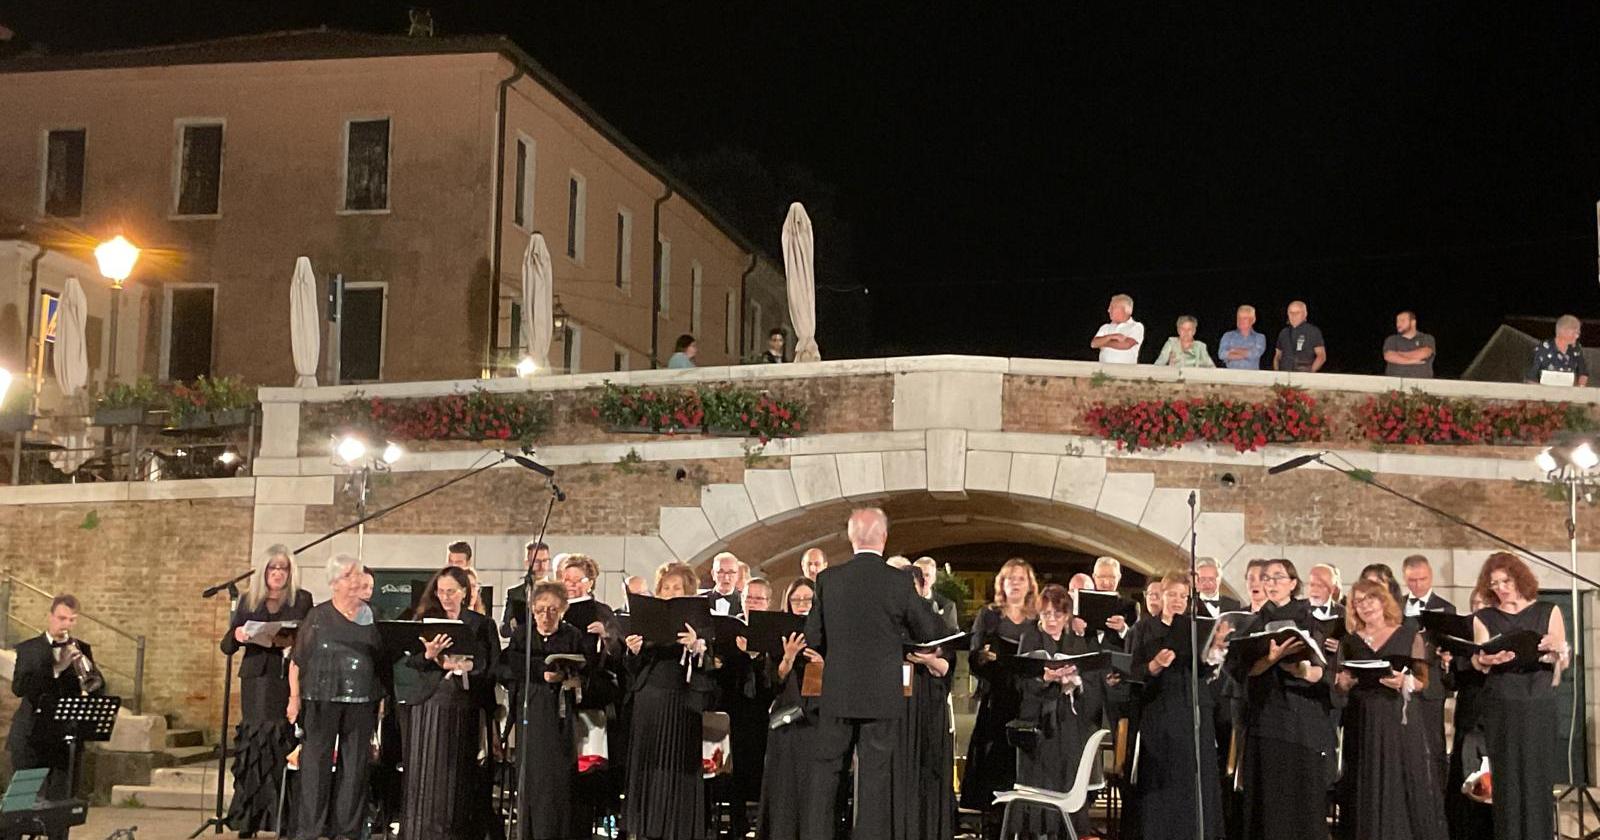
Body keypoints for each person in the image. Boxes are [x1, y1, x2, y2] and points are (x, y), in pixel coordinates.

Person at [804, 508, 947, 840]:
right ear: (883, 538)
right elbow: (927, 632)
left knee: (827, 773)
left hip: (837, 690)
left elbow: (814, 637)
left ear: (851, 537)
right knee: (874, 778)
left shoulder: (828, 579)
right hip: (882, 694)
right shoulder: (898, 581)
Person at [1333, 579, 1448, 840]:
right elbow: (1340, 682)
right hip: (1362, 718)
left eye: (1370, 598)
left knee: (1400, 779)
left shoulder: (1408, 635)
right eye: (1358, 602)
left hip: (1398, 717)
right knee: (1365, 781)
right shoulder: (1349, 641)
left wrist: (1404, 681)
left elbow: (1422, 681)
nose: (1365, 606)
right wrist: (1343, 682)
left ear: (1383, 600)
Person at [1226, 558, 1332, 840]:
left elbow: (1322, 671)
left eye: (1278, 577)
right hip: (1265, 717)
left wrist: (1297, 667)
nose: (1271, 583)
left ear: (1293, 583)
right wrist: (1270, 658)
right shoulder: (1252, 621)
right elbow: (1244, 671)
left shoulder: (1308, 617)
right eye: (1267, 578)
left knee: (1300, 799)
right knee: (1267, 799)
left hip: (1300, 718)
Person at [1469, 552, 1568, 840]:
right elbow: (1478, 658)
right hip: (1502, 704)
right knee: (1508, 781)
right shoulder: (1484, 617)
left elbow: (1562, 660)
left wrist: (1555, 649)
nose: (1500, 588)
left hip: (1538, 702)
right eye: (1495, 583)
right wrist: (1487, 660)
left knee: (1538, 778)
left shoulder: (1548, 611)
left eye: (1506, 581)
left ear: (1519, 579)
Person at [394, 566, 498, 840]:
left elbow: (491, 667)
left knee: (455, 774)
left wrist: (464, 666)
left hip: (463, 703)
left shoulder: (481, 624)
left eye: (451, 591)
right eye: (441, 591)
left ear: (465, 592)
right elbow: (411, 660)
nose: (445, 597)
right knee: (424, 770)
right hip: (427, 703)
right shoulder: (428, 619)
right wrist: (430, 656)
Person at [289, 555, 385, 840]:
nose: (355, 580)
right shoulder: (318, 616)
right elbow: (297, 660)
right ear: (334, 583)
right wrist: (294, 698)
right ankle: (310, 829)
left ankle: (347, 831)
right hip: (321, 699)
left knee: (354, 767)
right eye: (348, 576)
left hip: (363, 700)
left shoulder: (372, 615)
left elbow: (383, 661)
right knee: (315, 766)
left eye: (357, 575)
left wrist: (382, 699)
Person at [220, 546, 313, 838]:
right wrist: (237, 635)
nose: (277, 574)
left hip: (287, 675)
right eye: (272, 569)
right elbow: (228, 645)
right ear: (264, 572)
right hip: (256, 677)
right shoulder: (249, 600)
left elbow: (309, 637)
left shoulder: (302, 599)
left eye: (283, 569)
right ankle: (249, 817)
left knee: (282, 741)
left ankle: (282, 819)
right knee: (256, 743)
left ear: (290, 572)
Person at [623, 563, 715, 840]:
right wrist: (633, 651)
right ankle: (645, 827)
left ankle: (676, 829)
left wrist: (695, 646)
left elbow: (709, 668)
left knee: (675, 767)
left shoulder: (702, 625)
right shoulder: (646, 620)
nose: (670, 592)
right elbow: (631, 670)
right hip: (648, 700)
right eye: (666, 588)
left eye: (677, 588)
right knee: (648, 767)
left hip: (680, 703)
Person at [1134, 573, 1223, 840]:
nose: (1178, 601)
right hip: (1160, 711)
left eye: (1183, 596)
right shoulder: (1145, 629)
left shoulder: (1196, 629)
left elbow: (1204, 673)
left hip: (1194, 710)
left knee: (1195, 779)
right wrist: (1154, 666)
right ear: (1160, 596)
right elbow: (1131, 673)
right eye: (1172, 594)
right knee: (1164, 782)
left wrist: (1213, 655)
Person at [500, 580, 588, 840]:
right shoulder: (522, 635)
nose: (545, 616)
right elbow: (505, 667)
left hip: (558, 714)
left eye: (552, 610)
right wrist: (540, 671)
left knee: (555, 780)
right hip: (530, 708)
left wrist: (567, 676)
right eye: (539, 610)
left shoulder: (572, 635)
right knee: (530, 779)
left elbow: (587, 668)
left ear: (562, 610)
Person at [1013, 584, 1102, 839]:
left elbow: (1092, 680)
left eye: (1058, 615)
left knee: (1068, 776)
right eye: (1047, 614)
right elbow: (1021, 682)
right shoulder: (1030, 639)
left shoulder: (1078, 642)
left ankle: (1068, 831)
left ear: (1067, 616)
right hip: (1040, 722)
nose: (1052, 620)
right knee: (1041, 781)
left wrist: (1075, 682)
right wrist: (1046, 678)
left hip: (1069, 722)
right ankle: (1040, 832)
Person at [960, 558, 1040, 835]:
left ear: (1030, 584)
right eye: (1010, 578)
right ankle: (994, 825)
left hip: (1029, 700)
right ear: (1001, 584)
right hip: (997, 699)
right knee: (993, 765)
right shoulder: (989, 615)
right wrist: (983, 657)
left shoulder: (1039, 618)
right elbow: (973, 656)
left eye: (1021, 578)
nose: (1015, 583)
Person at [9, 594, 104, 802]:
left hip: (64, 738)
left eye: (72, 620)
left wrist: (88, 672)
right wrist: (58, 668)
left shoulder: (81, 648)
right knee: (20, 803)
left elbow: (97, 686)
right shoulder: (29, 649)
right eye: (62, 618)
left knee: (62, 807)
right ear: (50, 617)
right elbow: (20, 688)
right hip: (30, 737)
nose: (66, 624)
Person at [757, 578, 822, 840]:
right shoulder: (778, 633)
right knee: (783, 782)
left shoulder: (828, 631)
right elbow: (773, 679)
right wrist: (788, 657)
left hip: (816, 718)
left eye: (807, 600)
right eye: (797, 600)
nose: (802, 605)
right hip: (786, 718)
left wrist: (822, 663)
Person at [1440, 590, 1493, 840]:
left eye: (1482, 604)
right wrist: (1448, 663)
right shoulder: (1464, 639)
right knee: (1465, 784)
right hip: (1468, 717)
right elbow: (1452, 683)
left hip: (1493, 719)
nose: (1477, 609)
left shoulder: (1500, 636)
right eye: (1474, 605)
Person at [502, 540, 552, 637]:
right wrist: (512, 626)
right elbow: (504, 630)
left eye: (545, 561)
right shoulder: (515, 593)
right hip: (523, 644)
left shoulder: (558, 591)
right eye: (537, 561)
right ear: (527, 563)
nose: (541, 566)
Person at [1525, 313, 1589, 386]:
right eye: (1574, 333)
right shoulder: (1543, 349)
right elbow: (1530, 377)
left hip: (1569, 393)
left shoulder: (1576, 349)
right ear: (1563, 331)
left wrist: (1580, 388)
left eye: (1578, 333)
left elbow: (1583, 373)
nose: (1577, 336)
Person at [1273, 300, 1326, 373]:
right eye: (1291, 313)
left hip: (1304, 375)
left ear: (1305, 314)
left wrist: (1310, 372)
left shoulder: (1313, 331)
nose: (1294, 315)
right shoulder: (1283, 333)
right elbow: (1277, 356)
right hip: (1284, 375)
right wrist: (1276, 372)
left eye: (1297, 313)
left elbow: (1321, 356)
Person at [1090, 293, 1144, 364]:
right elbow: (1094, 343)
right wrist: (1111, 336)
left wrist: (1104, 343)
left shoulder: (1136, 326)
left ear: (1126, 310)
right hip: (1104, 372)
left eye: (1112, 307)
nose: (1108, 310)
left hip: (1126, 372)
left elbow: (1126, 345)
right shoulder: (1105, 327)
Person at [1383, 310, 1436, 378]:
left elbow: (1424, 353)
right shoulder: (1391, 339)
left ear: (1413, 322)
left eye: (1402, 321)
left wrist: (1398, 354)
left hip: (1421, 385)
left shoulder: (1426, 338)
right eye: (1397, 321)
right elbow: (1389, 356)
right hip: (1394, 385)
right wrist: (1412, 361)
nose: (1398, 324)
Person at [913, 556, 960, 632]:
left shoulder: (947, 606)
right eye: (919, 574)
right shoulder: (903, 602)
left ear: (934, 578)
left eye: (927, 575)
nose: (923, 579)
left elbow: (952, 635)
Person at [1218, 304, 1267, 370]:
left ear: (1253, 320)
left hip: (1252, 377)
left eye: (1244, 318)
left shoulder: (1260, 338)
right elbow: (1222, 354)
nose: (1241, 321)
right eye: (1239, 318)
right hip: (1231, 376)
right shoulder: (1228, 336)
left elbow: (1254, 354)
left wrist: (1233, 350)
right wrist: (1246, 354)